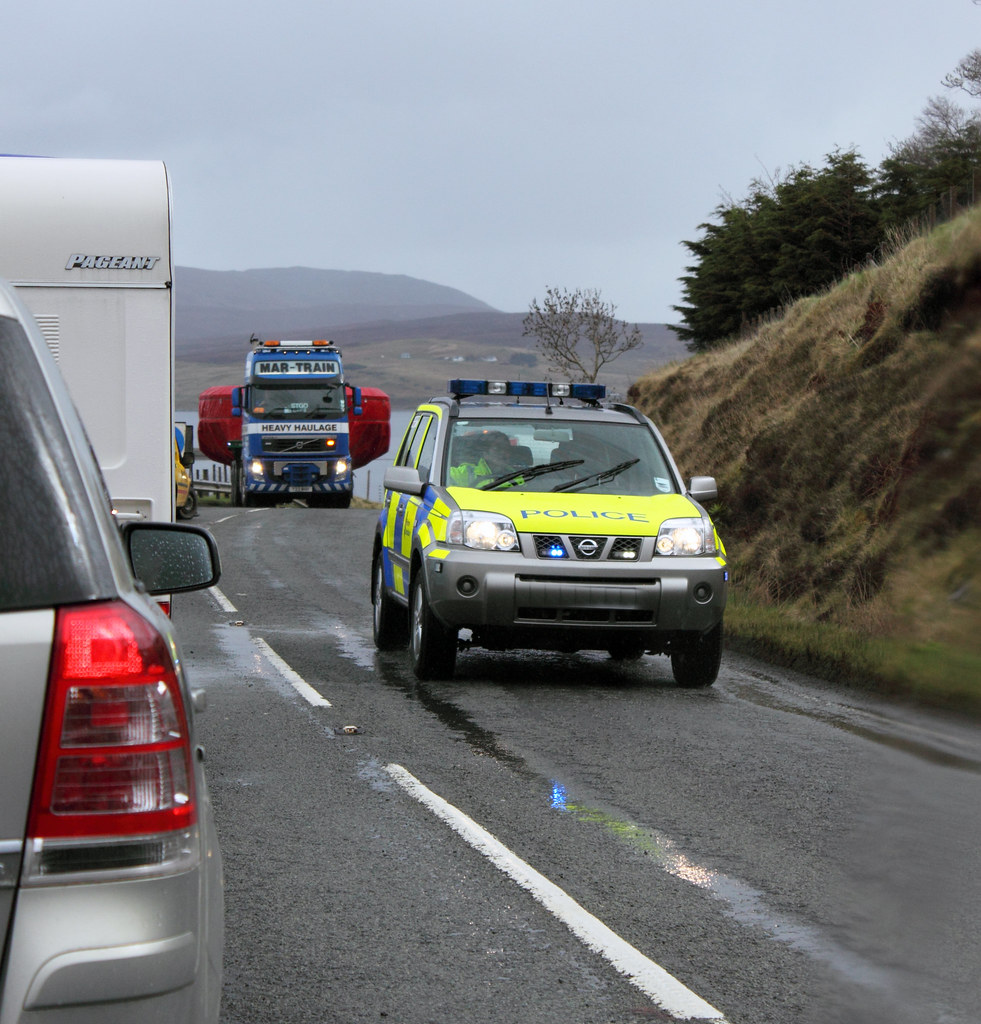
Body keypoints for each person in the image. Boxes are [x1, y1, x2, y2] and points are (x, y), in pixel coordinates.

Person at [449, 430, 523, 487]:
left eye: (506, 449)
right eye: (497, 448)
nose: (502, 453)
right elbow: (442, 479)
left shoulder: (515, 474)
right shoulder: (468, 471)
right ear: (485, 453)